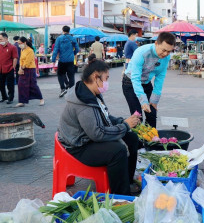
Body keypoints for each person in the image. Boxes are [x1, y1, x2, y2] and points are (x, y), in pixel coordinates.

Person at [58, 54, 140, 195]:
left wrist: (121, 122)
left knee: (132, 138)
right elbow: (98, 133)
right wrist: (125, 125)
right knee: (118, 150)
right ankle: (121, 195)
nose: (107, 83)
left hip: (88, 137)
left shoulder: (91, 93)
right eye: (106, 79)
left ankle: (127, 181)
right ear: (96, 77)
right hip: (79, 146)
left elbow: (104, 116)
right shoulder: (83, 102)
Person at [122, 32, 176, 128]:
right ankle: (138, 142)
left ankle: (151, 141)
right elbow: (135, 78)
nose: (166, 54)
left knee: (152, 114)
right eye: (163, 50)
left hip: (146, 83)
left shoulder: (166, 57)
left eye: (169, 51)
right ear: (156, 43)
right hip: (130, 82)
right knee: (137, 116)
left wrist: (154, 100)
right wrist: (143, 101)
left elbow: (160, 77)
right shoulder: (141, 52)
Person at [15, 37, 44, 107]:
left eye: (20, 43)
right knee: (20, 84)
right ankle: (22, 101)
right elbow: (21, 60)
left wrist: (22, 68)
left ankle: (41, 99)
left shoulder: (30, 50)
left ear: (24, 42)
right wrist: (20, 68)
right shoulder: (22, 50)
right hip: (23, 68)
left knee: (33, 85)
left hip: (30, 69)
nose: (19, 45)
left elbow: (28, 61)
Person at [52, 26, 80, 98]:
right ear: (69, 31)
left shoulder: (59, 38)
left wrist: (53, 60)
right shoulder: (72, 38)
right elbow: (77, 49)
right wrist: (73, 53)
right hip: (70, 60)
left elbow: (56, 50)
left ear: (63, 30)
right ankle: (71, 91)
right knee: (71, 76)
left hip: (62, 60)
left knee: (60, 74)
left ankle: (63, 88)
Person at [0, 33, 18, 104]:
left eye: (0, 39)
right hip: (0, 68)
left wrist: (13, 67)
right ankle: (4, 97)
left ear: (6, 39)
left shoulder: (12, 47)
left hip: (9, 68)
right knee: (1, 84)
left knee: (10, 85)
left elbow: (15, 58)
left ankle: (10, 98)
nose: (0, 40)